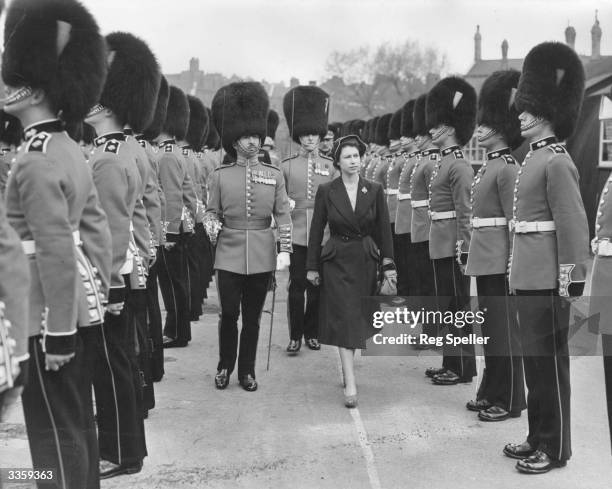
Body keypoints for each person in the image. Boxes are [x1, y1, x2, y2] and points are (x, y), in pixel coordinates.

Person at [2, 0, 112, 486]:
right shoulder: (68, 147)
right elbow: (97, 232)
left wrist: (59, 330)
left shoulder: (35, 158)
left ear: (39, 84)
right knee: (74, 426)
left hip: (47, 315)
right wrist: (94, 302)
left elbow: (52, 249)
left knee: (50, 435)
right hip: (74, 308)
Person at [504, 42, 588, 474]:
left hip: (547, 283)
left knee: (550, 368)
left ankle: (555, 449)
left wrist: (570, 283)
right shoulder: (532, 158)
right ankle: (537, 436)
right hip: (527, 276)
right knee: (536, 367)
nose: (520, 113)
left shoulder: (556, 162)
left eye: (529, 108)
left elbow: (573, 228)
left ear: (547, 112)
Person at [205, 81, 292, 392]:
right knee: (229, 314)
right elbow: (211, 212)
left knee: (252, 319)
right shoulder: (220, 176)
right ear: (234, 140)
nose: (252, 142)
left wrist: (285, 250)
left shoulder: (274, 176)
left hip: (261, 253)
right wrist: (213, 228)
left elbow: (283, 214)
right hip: (228, 252)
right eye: (245, 136)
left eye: (255, 136)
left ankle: (247, 371)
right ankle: (224, 365)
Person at [306, 135, 395, 408]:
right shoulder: (327, 191)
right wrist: (311, 266)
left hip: (366, 261)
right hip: (337, 262)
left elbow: (383, 231)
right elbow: (316, 229)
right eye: (347, 157)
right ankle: (351, 380)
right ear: (337, 161)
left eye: (356, 156)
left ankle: (349, 368)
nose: (353, 161)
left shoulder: (375, 189)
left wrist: (389, 264)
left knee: (358, 319)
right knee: (344, 317)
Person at [464, 70, 526, 421]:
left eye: (485, 125)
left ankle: (511, 399)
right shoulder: (489, 166)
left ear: (500, 128)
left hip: (500, 261)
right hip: (485, 259)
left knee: (504, 334)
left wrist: (511, 264)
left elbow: (513, 222)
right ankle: (492, 390)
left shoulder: (506, 168)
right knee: (491, 333)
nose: (479, 129)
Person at [425, 76, 477, 386]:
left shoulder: (458, 165)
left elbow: (465, 212)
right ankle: (451, 362)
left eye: (438, 124)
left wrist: (464, 248)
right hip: (440, 242)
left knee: (458, 308)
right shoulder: (444, 162)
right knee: (448, 307)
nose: (431, 130)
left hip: (452, 247)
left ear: (451, 128)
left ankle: (463, 367)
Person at [282, 85, 333, 354]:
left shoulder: (330, 166)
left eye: (314, 134)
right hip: (297, 230)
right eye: (305, 134)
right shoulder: (287, 165)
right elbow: (280, 202)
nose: (310, 139)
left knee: (316, 287)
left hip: (321, 233)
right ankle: (295, 335)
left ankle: (313, 332)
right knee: (296, 286)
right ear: (298, 136)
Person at [156, 86, 198, 348]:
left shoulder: (167, 156)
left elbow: (171, 197)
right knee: (176, 283)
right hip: (177, 226)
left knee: (172, 285)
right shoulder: (172, 153)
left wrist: (169, 232)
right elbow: (188, 193)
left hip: (171, 230)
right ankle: (180, 331)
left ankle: (175, 332)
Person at [141, 76, 170, 382]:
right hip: (147, 238)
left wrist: (152, 240)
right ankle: (154, 367)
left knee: (144, 313)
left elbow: (153, 198)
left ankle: (151, 369)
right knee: (149, 307)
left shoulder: (139, 150)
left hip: (137, 242)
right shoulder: (147, 149)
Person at [394, 100, 420, 297]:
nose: (402, 139)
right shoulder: (406, 159)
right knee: (402, 260)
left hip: (411, 216)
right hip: (400, 214)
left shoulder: (416, 160)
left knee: (411, 262)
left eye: (405, 135)